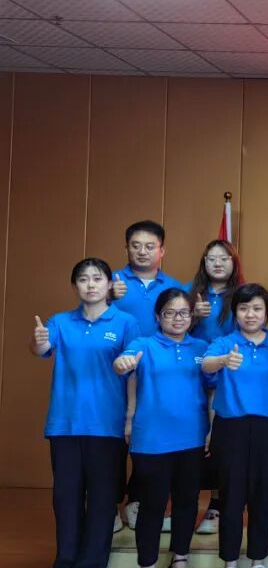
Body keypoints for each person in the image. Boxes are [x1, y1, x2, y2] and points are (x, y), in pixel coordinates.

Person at [34, 258, 140, 568]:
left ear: (110, 285)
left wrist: (130, 416)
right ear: (75, 285)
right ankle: (65, 563)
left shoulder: (125, 322)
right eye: (83, 279)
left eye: (97, 278)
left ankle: (91, 566)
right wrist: (39, 341)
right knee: (65, 497)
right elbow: (41, 348)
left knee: (102, 498)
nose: (90, 284)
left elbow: (134, 372)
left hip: (106, 424)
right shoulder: (60, 322)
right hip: (64, 423)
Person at [201, 284, 268, 568]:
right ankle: (230, 565)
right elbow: (205, 365)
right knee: (230, 498)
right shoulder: (224, 342)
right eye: (243, 309)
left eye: (257, 308)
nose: (250, 314)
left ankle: (258, 563)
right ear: (235, 313)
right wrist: (222, 361)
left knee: (262, 498)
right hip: (230, 427)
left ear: (266, 312)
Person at [113, 289, 212, 568]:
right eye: (170, 312)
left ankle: (180, 559)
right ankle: (146, 567)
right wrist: (122, 363)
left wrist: (211, 429)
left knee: (187, 502)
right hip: (152, 440)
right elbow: (123, 364)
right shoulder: (144, 345)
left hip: (192, 437)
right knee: (153, 505)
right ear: (158, 316)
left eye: (184, 312)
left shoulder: (202, 348)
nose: (177, 318)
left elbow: (212, 389)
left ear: (192, 316)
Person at [110, 220, 183, 531]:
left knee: (149, 442)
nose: (142, 251)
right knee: (113, 443)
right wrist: (108, 296)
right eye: (136, 245)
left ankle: (138, 501)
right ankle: (110, 506)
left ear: (161, 251)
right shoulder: (110, 283)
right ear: (126, 248)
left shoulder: (175, 287)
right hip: (114, 376)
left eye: (150, 246)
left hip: (155, 379)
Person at [188, 239, 245, 536]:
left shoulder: (242, 295)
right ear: (204, 262)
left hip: (227, 376)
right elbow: (170, 328)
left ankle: (217, 504)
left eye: (224, 258)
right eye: (212, 258)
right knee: (191, 438)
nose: (218, 263)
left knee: (219, 441)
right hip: (192, 374)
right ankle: (183, 504)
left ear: (234, 262)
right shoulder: (190, 293)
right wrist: (193, 316)